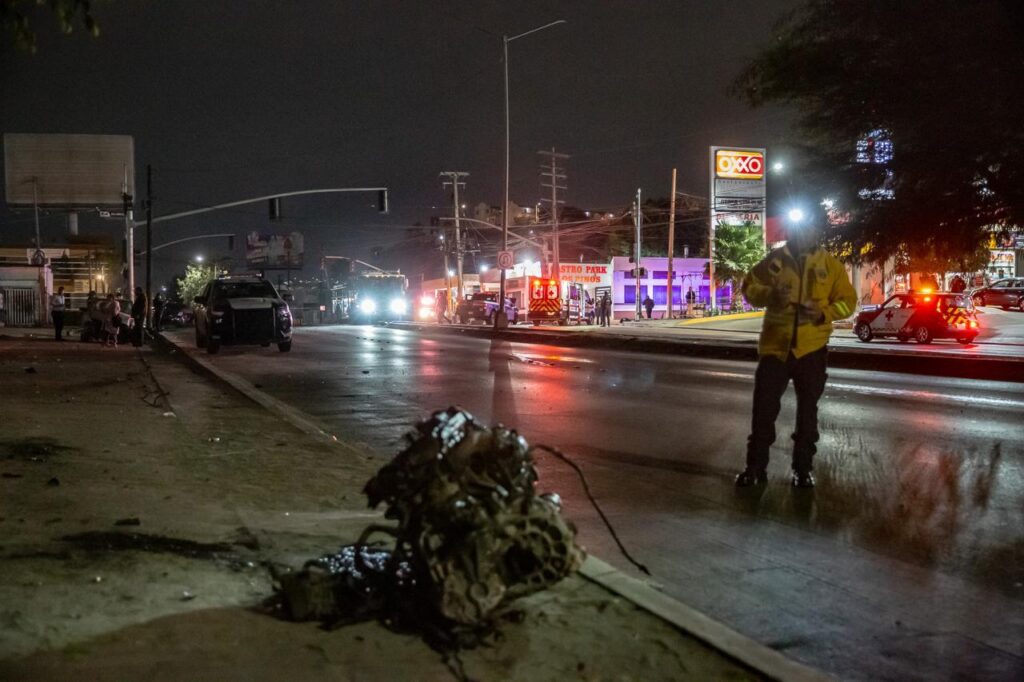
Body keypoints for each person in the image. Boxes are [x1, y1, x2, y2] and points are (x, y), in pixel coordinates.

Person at [735, 216, 857, 489]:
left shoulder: (830, 265)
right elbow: (749, 287)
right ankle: (754, 469)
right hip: (775, 352)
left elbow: (848, 302)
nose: (805, 233)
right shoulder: (775, 261)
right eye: (801, 228)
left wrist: (824, 312)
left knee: (807, 417)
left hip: (811, 352)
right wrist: (769, 295)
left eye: (810, 228)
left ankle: (803, 471)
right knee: (763, 413)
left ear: (817, 232)